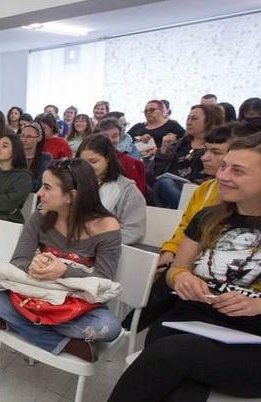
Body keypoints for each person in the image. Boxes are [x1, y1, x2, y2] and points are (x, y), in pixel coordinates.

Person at [37, 133, 261, 402]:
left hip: (250, 342)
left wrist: (257, 303)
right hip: (197, 321)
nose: (222, 175)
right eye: (222, 166)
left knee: (170, 355)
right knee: (175, 388)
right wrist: (183, 277)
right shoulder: (208, 217)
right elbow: (176, 270)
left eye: (237, 170)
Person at [0, 158, 122, 362]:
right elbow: (18, 261)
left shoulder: (106, 226)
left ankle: (13, 322)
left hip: (75, 303)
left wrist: (64, 271)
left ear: (72, 196)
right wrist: (34, 265)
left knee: (110, 327)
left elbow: (104, 280)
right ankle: (63, 343)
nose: (40, 193)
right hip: (33, 294)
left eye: (47, 187)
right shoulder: (41, 216)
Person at [127, 123, 254, 332]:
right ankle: (127, 330)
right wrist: (172, 255)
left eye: (216, 153)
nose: (205, 158)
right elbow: (185, 227)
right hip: (197, 296)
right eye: (206, 151)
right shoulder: (205, 196)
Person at [77, 134, 147, 244]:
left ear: (108, 158)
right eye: (83, 163)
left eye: (93, 161)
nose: (87, 167)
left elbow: (133, 231)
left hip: (105, 251)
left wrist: (94, 242)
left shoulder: (128, 190)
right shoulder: (72, 183)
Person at [151, 104, 224, 209]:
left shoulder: (218, 147)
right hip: (171, 190)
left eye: (194, 119)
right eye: (188, 118)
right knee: (164, 183)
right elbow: (157, 174)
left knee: (166, 184)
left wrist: (193, 184)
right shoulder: (180, 144)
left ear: (210, 121)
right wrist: (163, 150)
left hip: (200, 191)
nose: (188, 122)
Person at [96, 117, 149, 197]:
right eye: (106, 136)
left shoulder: (132, 163)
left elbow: (137, 195)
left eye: (115, 136)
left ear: (120, 137)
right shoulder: (89, 159)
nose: (110, 140)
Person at [20, 121, 53, 192]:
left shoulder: (45, 158)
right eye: (22, 135)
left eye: (29, 136)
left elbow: (39, 184)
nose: (24, 139)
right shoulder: (14, 156)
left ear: (39, 138)